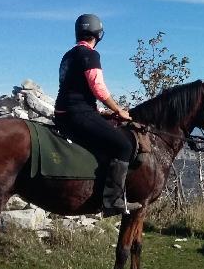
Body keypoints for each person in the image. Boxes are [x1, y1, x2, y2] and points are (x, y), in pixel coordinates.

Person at [54, 14, 141, 217]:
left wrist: (102, 113)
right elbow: (98, 89)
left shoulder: (68, 55)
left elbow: (75, 91)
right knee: (124, 146)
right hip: (78, 115)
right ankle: (113, 201)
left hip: (64, 114)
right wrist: (118, 110)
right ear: (98, 34)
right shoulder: (90, 55)